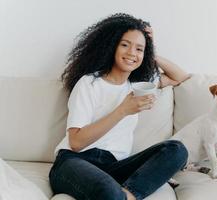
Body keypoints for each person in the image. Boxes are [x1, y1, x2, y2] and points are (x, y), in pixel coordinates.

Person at [49, 13, 190, 200]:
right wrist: (123, 110)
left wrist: (150, 53)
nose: (132, 53)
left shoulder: (138, 86)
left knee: (176, 150)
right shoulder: (90, 83)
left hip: (113, 166)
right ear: (111, 46)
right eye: (125, 45)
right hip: (73, 162)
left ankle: (127, 196)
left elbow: (179, 77)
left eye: (139, 49)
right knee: (108, 190)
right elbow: (76, 142)